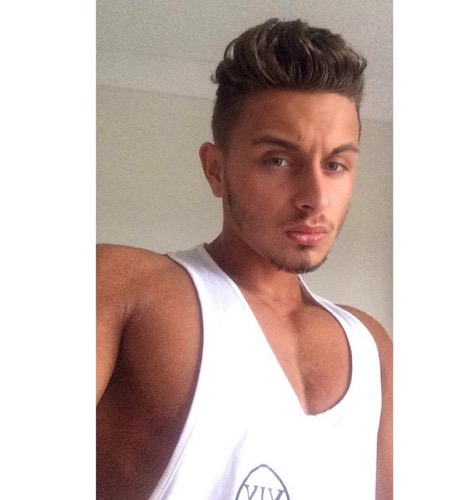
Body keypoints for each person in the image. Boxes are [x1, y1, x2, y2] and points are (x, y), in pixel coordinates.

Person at [97, 18, 393, 500]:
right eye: (278, 160)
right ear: (216, 170)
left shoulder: (372, 345)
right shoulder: (126, 287)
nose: (315, 197)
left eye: (335, 165)